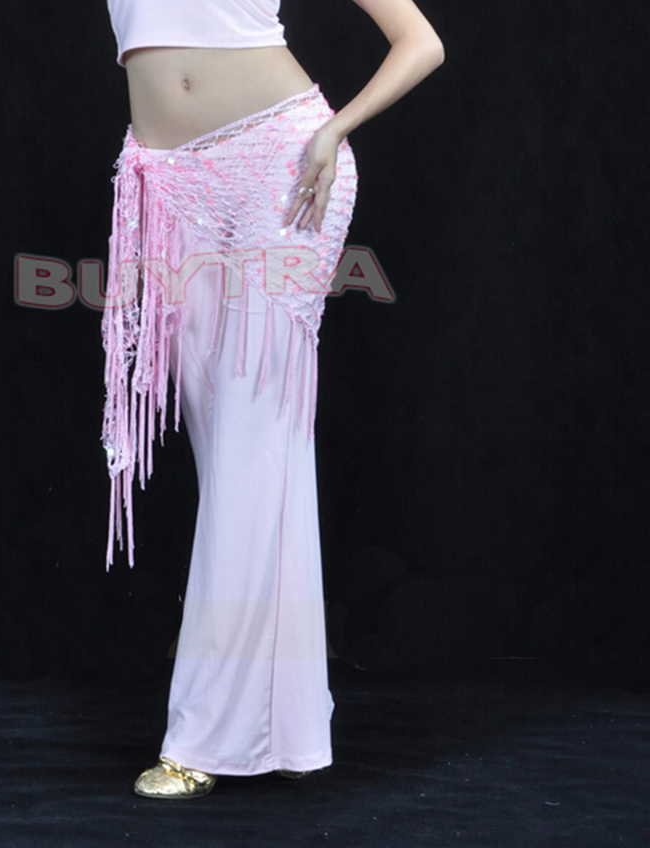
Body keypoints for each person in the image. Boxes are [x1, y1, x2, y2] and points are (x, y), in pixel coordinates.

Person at [100, 0, 444, 798]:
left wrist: (336, 130)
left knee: (252, 443)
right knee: (240, 456)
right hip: (170, 187)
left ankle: (199, 738)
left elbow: (420, 42)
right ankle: (286, 723)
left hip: (282, 168)